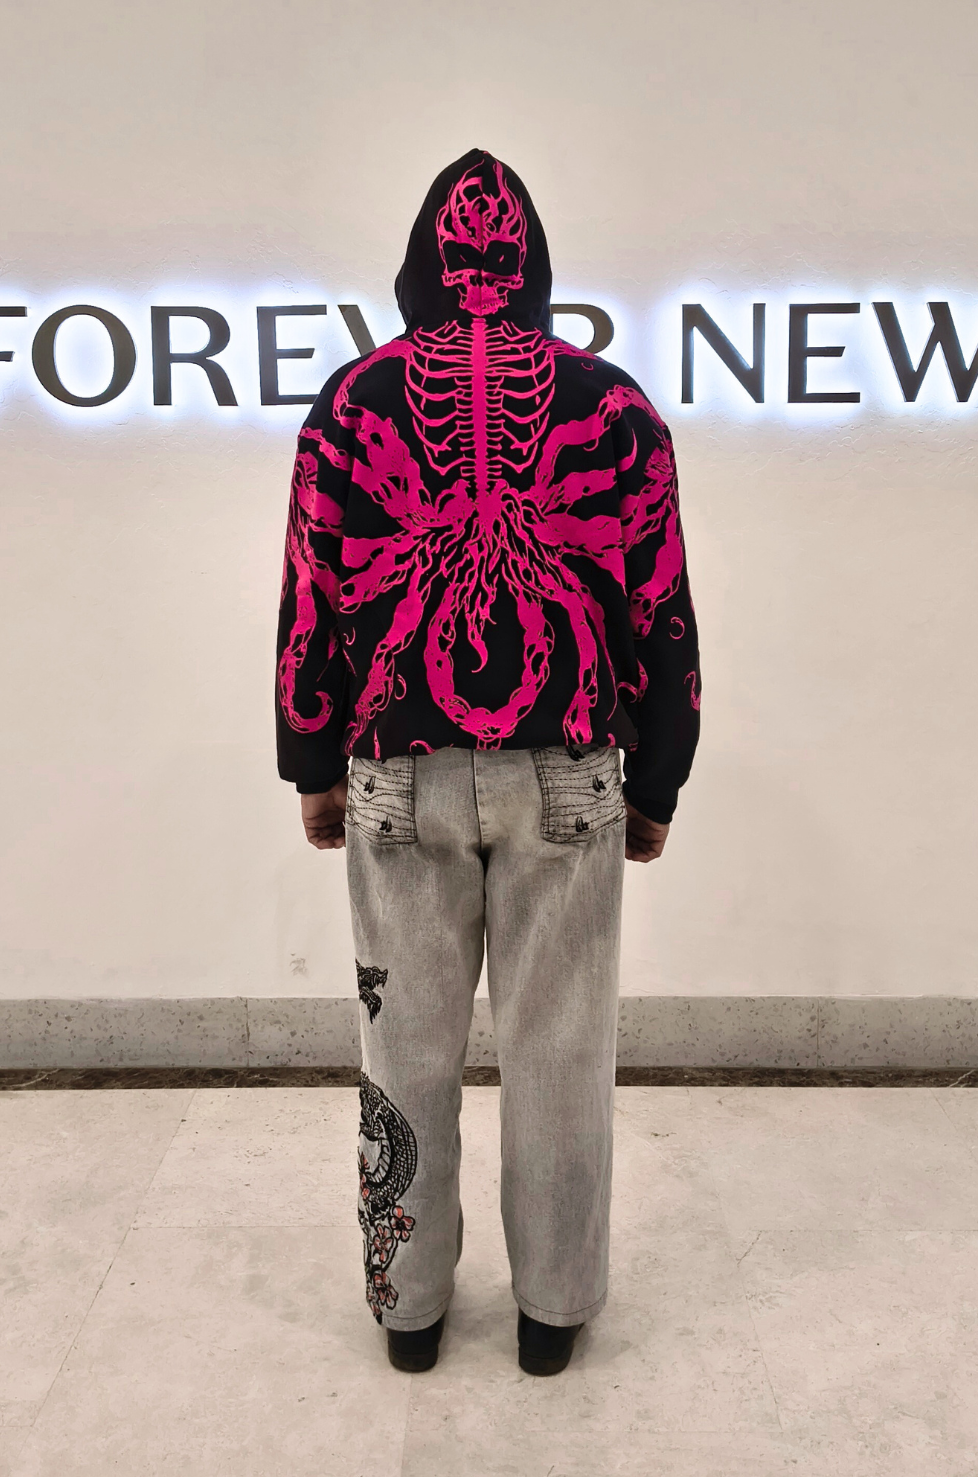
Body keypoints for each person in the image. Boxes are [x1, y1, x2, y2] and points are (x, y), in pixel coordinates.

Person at [276, 150, 700, 1376]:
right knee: (561, 1050)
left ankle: (408, 1313)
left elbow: (312, 593)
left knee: (401, 1049)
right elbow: (661, 605)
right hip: (568, 767)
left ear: (421, 263)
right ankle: (553, 1315)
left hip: (395, 768)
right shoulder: (615, 406)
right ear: (534, 266)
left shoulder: (351, 402)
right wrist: (659, 779)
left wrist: (311, 758)